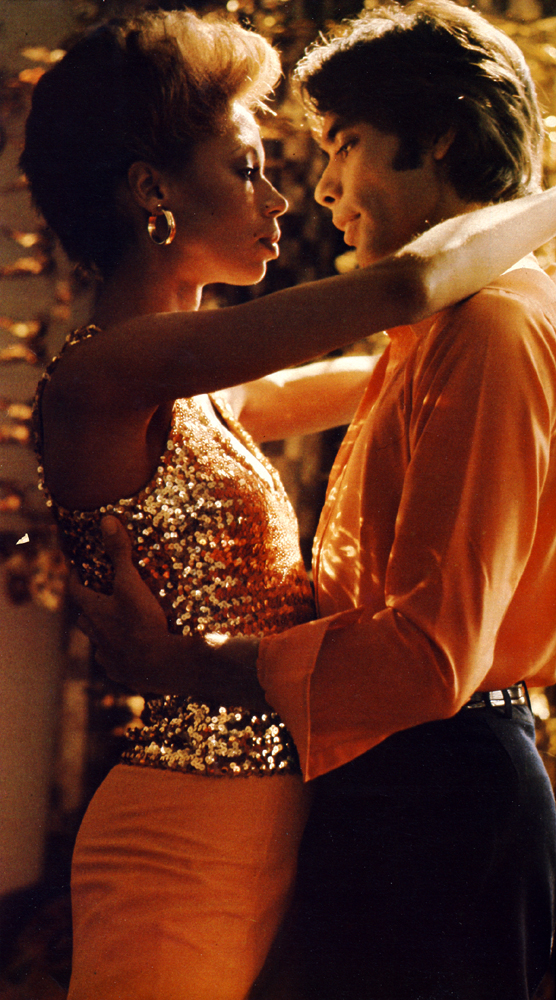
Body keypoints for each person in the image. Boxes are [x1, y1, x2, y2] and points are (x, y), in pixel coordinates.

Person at [71, 3, 556, 999]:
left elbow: (428, 658)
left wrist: (184, 664)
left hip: (434, 788)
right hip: (352, 788)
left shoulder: (490, 330)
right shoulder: (434, 335)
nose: (312, 190)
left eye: (341, 144)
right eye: (253, 165)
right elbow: (394, 312)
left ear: (437, 139)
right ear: (150, 192)